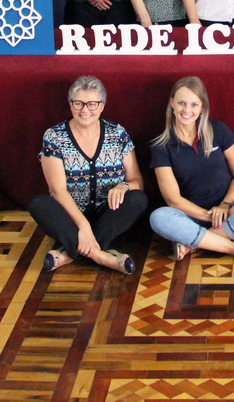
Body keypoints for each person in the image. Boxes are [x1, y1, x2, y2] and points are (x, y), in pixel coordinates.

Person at [28, 76, 148, 275]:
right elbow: (57, 191)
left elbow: (137, 181)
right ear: (70, 105)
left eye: (92, 104)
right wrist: (83, 225)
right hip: (70, 214)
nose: (85, 110)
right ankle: (101, 256)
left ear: (102, 106)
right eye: (79, 103)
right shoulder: (54, 137)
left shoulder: (117, 134)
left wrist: (123, 186)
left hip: (108, 213)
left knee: (138, 199)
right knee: (39, 204)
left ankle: (69, 253)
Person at [149, 77, 234, 262]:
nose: (187, 110)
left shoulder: (218, 130)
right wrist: (211, 217)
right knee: (159, 217)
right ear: (172, 103)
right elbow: (173, 199)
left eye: (194, 104)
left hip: (229, 209)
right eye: (181, 103)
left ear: (202, 107)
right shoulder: (161, 146)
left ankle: (194, 243)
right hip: (190, 217)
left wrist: (225, 205)